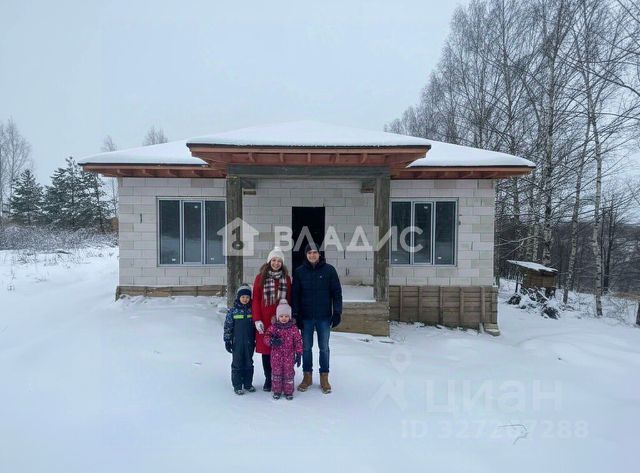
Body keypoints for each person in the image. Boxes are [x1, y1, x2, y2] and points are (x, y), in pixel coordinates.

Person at [292, 244, 342, 394]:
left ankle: (324, 377)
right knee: (306, 348)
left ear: (319, 254)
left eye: (315, 252)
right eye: (309, 252)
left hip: (324, 317)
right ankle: (307, 377)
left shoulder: (329, 270)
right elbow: (295, 295)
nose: (312, 255)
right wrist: (296, 314)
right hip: (306, 317)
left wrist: (337, 312)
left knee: (324, 348)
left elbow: (337, 293)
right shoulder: (299, 272)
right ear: (306, 255)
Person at [252, 247, 292, 392]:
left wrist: (289, 319)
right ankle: (268, 378)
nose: (276, 263)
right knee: (267, 350)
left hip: (281, 321)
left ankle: (280, 377)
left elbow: (289, 299)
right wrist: (257, 319)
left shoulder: (286, 279)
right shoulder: (260, 277)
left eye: (279, 261)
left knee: (280, 351)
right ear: (269, 261)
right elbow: (256, 299)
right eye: (274, 260)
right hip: (265, 320)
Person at [264, 301, 303, 400]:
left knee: (288, 373)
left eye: (286, 316)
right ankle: (277, 391)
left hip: (289, 356)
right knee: (276, 373)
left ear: (290, 317)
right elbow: (266, 337)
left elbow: (298, 341)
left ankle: (288, 391)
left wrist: (299, 353)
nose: (284, 318)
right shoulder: (274, 327)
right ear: (278, 317)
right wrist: (272, 341)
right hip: (276, 357)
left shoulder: (293, 328)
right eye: (281, 316)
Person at [223, 284, 255, 395]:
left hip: (249, 342)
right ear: (238, 297)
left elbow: (256, 326)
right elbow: (228, 326)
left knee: (249, 362)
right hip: (237, 343)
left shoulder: (252, 310)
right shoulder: (233, 311)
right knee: (237, 363)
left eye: (247, 297)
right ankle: (237, 385)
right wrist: (227, 340)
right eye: (243, 297)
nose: (245, 299)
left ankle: (248, 384)